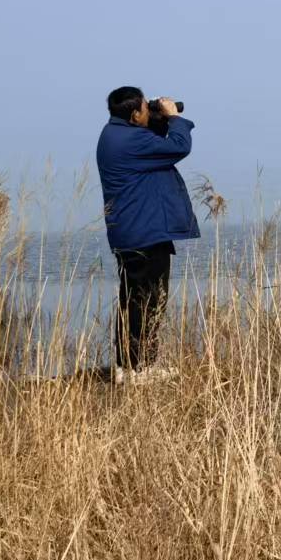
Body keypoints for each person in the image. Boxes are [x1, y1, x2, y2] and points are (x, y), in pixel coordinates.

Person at [96, 86, 201, 382]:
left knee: (133, 299)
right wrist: (174, 117)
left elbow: (152, 142)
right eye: (144, 107)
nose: (148, 109)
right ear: (133, 115)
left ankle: (127, 366)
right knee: (149, 300)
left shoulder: (114, 135)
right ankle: (141, 368)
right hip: (145, 232)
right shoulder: (131, 140)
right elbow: (179, 147)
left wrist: (155, 117)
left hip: (132, 231)